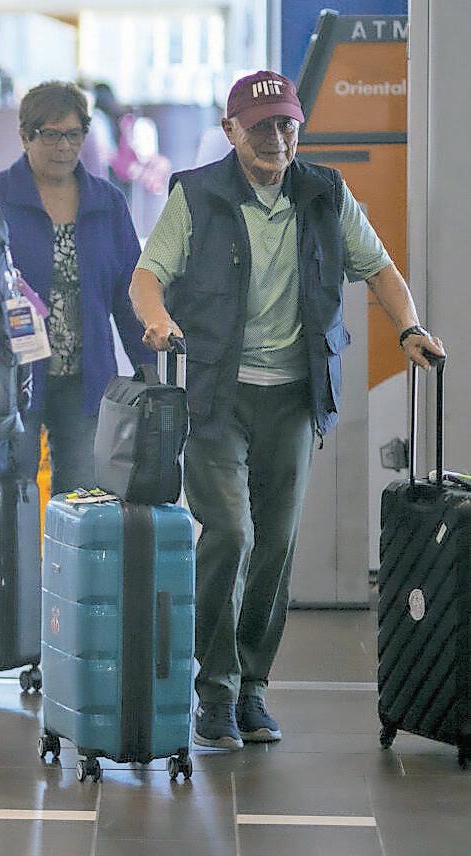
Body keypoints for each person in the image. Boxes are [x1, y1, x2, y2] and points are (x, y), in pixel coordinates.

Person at [130, 70, 447, 751]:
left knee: (275, 545)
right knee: (231, 533)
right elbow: (147, 275)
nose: (275, 137)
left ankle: (252, 688)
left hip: (293, 398)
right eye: (260, 126)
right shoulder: (197, 195)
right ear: (230, 131)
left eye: (286, 124)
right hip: (217, 397)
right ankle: (214, 691)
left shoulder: (325, 193)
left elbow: (380, 269)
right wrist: (157, 319)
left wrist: (410, 327)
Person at [0, 81, 153, 491]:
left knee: (83, 496)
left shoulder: (107, 202)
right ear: (25, 136)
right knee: (11, 491)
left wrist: (148, 367)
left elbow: (128, 292)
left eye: (74, 135)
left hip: (86, 378)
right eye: (51, 135)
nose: (64, 147)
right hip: (13, 376)